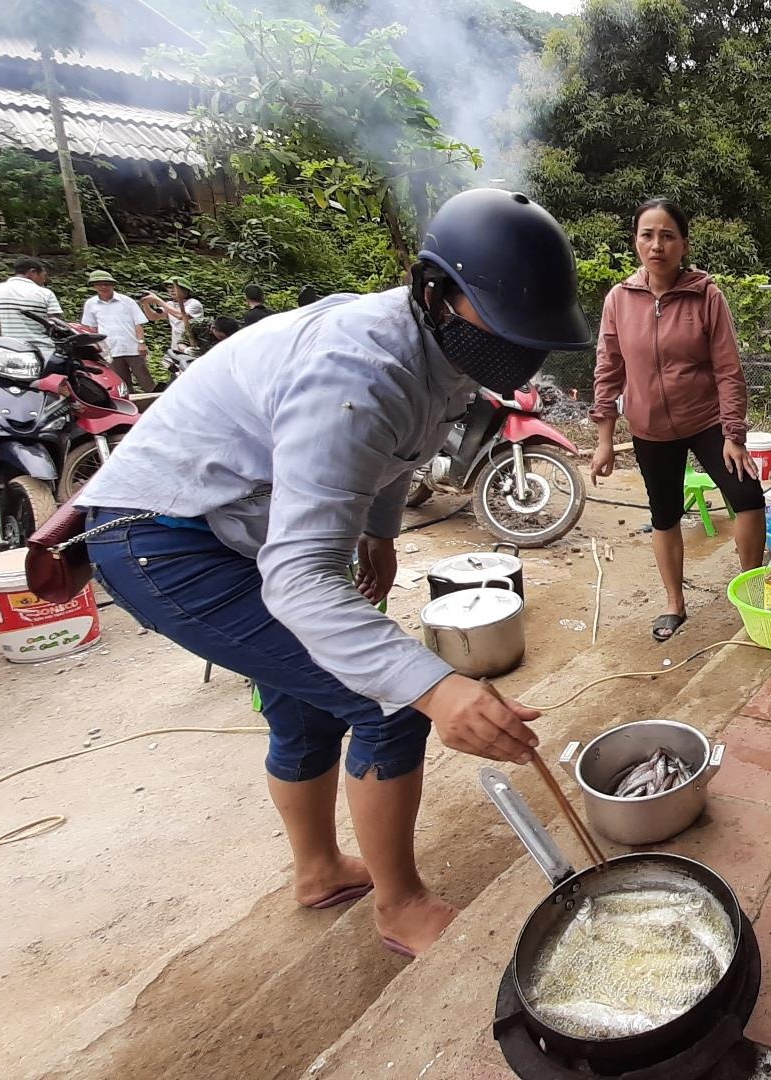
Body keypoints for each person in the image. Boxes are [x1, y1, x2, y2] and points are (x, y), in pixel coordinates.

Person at [72, 188, 593, 959]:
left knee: (308, 701)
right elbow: (300, 578)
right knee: (390, 702)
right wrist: (437, 689)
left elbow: (394, 450)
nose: (521, 350)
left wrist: (379, 531)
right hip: (162, 535)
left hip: (229, 526)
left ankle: (318, 872)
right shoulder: (356, 369)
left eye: (533, 333)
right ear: (433, 292)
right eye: (503, 324)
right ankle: (400, 904)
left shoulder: (442, 352)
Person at [589, 198, 766, 641]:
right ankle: (674, 603)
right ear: (635, 242)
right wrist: (605, 440)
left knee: (747, 495)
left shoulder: (706, 295)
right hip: (649, 428)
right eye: (647, 235)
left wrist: (733, 434)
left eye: (668, 236)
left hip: (706, 420)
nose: (657, 245)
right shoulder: (619, 299)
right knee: (664, 514)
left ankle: (751, 592)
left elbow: (728, 368)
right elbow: (608, 369)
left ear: (683, 245)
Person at [80, 269, 154, 393]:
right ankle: (130, 403)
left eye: (106, 284)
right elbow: (92, 328)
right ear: (94, 286)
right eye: (99, 284)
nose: (103, 287)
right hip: (110, 349)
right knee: (122, 383)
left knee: (145, 379)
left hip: (132, 347)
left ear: (112, 285)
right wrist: (98, 348)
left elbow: (138, 323)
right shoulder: (91, 304)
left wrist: (141, 343)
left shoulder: (127, 301)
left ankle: (156, 399)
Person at [0, 257, 61, 355]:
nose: (44, 280)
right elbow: (56, 328)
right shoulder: (46, 293)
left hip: (10, 351)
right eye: (44, 275)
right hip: (43, 352)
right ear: (32, 272)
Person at [140, 277, 204, 354]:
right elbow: (153, 317)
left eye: (175, 287)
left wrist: (159, 301)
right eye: (169, 288)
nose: (172, 290)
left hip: (192, 345)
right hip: (175, 347)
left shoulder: (194, 303)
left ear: (186, 290)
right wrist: (145, 303)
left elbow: (181, 316)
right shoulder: (170, 304)